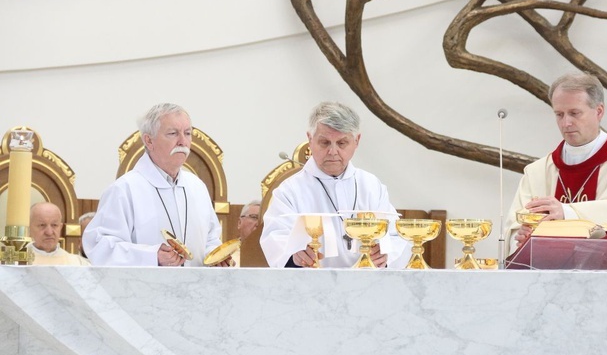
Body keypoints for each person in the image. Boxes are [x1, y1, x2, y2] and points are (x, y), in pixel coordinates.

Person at [504, 72, 607, 268]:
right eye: (559, 114)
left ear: (599, 111)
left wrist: (566, 212)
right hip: (547, 286)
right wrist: (523, 239)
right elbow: (514, 227)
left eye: (574, 113)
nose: (566, 123)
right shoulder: (537, 172)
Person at [260, 101, 409, 269]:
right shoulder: (289, 191)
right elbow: (275, 237)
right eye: (324, 143)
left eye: (342, 143)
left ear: (357, 141)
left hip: (366, 285)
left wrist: (386, 254)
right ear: (310, 139)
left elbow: (395, 235)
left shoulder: (371, 186)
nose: (332, 151)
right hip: (312, 287)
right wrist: (293, 256)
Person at [82, 103, 227, 267]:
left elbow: (210, 238)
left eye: (187, 133)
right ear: (149, 141)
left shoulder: (197, 187)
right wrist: (152, 256)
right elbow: (101, 247)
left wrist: (215, 257)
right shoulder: (124, 189)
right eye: (173, 133)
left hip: (196, 289)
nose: (182, 141)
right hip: (145, 290)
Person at [231, 200, 261, 266]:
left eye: (263, 220)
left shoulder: (275, 256)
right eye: (254, 217)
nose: (259, 224)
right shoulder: (228, 255)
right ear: (239, 223)